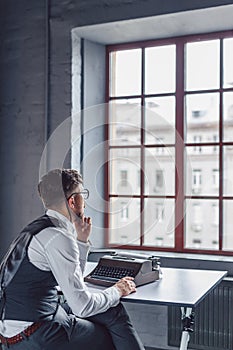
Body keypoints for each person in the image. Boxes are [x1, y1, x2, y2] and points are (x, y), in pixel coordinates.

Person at [0, 168, 145, 350]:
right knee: (108, 329)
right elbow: (82, 307)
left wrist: (82, 241)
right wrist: (117, 290)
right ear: (74, 201)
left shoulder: (36, 229)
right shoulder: (58, 236)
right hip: (36, 332)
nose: (84, 201)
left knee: (110, 310)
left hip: (10, 331)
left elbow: (72, 280)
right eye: (82, 194)